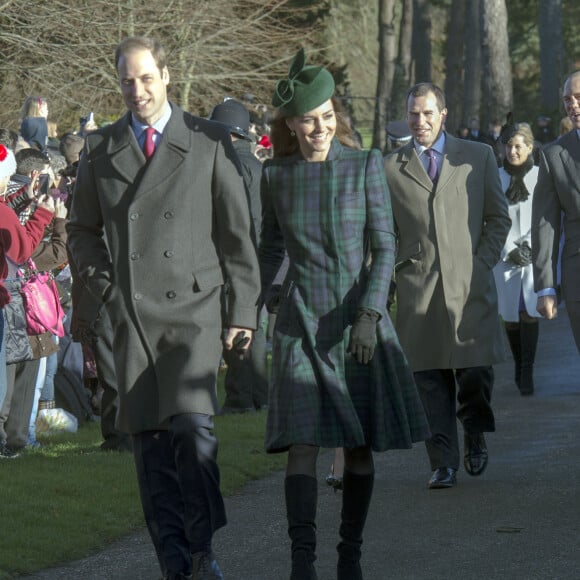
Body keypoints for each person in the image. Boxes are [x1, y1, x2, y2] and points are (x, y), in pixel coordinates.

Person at [66, 36, 260, 580]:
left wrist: (241, 312)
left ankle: (201, 547)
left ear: (167, 76)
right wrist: (104, 279)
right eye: (127, 80)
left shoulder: (206, 141)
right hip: (133, 316)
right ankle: (176, 564)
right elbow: (80, 229)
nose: (137, 90)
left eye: (147, 78)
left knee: (195, 437)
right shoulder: (101, 150)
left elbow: (237, 236)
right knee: (151, 454)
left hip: (194, 313)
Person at [260, 48, 429, 580]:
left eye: (328, 117)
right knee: (302, 448)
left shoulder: (364, 166)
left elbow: (384, 245)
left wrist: (370, 314)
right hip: (300, 323)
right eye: (309, 120)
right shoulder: (275, 177)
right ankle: (302, 564)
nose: (320, 128)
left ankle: (349, 556)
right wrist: (262, 299)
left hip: (357, 321)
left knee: (358, 448)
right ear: (290, 123)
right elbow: (269, 246)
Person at [384, 82, 510, 490]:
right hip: (418, 289)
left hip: (470, 285)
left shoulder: (478, 157)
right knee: (429, 380)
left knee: (474, 372)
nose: (419, 121)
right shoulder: (390, 167)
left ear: (443, 114)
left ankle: (473, 427)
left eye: (426, 113)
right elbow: (384, 230)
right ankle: (443, 462)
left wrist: (482, 262)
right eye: (413, 114)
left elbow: (498, 219)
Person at [209, 98, 269, 414]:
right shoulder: (260, 167)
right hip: (262, 257)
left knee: (235, 328)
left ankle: (239, 397)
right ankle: (259, 394)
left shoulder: (231, 167)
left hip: (236, 257)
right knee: (255, 327)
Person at [532, 71, 580, 353]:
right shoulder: (553, 156)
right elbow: (545, 224)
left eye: (579, 97)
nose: (573, 105)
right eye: (567, 100)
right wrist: (546, 288)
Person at [492, 120, 541, 396]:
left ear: (529, 147)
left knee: (529, 312)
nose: (512, 152)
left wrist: (531, 247)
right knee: (510, 316)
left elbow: (545, 216)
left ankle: (527, 370)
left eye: (518, 146)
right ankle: (518, 362)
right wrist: (508, 248)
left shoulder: (539, 176)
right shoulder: (495, 176)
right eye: (508, 146)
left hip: (532, 258)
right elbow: (492, 218)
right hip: (505, 256)